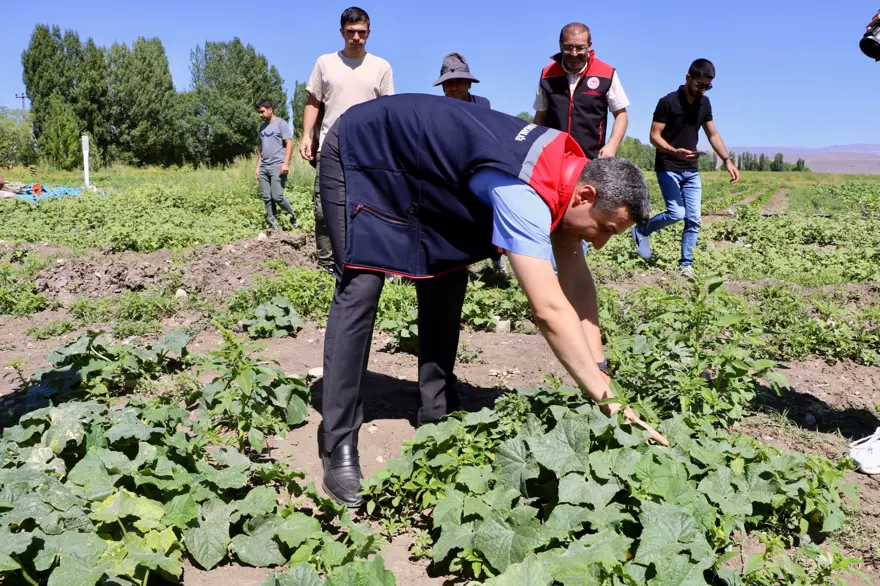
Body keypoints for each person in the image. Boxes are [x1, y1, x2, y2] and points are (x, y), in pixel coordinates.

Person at [317, 93, 669, 506]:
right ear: (586, 195)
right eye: (606, 228)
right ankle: (337, 441)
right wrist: (610, 404)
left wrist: (600, 369)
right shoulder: (526, 193)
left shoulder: (567, 178)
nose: (603, 242)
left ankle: (437, 409)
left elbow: (577, 284)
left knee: (445, 271)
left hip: (427, 171)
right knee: (361, 284)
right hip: (367, 148)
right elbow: (550, 310)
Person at [300, 6, 395, 275]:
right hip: (331, 149)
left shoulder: (381, 67)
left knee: (369, 208)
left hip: (368, 152)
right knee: (323, 210)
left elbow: (387, 112)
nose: (356, 37)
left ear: (369, 32)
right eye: (351, 32)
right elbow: (313, 102)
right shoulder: (325, 63)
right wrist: (307, 135)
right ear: (341, 31)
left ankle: (367, 262)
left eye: (361, 32)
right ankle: (327, 266)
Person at [631, 59, 739, 279]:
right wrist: (674, 151)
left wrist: (727, 160)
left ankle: (686, 265)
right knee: (676, 213)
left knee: (694, 218)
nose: (703, 90)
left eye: (708, 86)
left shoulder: (704, 104)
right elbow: (654, 136)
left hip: (691, 169)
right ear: (688, 77)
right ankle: (642, 230)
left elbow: (713, 134)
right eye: (700, 85)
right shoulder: (667, 102)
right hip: (668, 166)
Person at [533, 23, 629, 160]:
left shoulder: (607, 73)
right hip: (552, 157)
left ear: (589, 45)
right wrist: (533, 145)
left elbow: (621, 115)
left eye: (580, 48)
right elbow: (540, 116)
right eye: (568, 47)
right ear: (560, 45)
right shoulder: (547, 74)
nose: (574, 53)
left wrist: (612, 145)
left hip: (591, 159)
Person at [254, 99, 298, 230]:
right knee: (267, 197)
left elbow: (289, 143)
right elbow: (261, 150)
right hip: (264, 168)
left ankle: (293, 216)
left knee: (277, 196)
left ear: (270, 109)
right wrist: (257, 167)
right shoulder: (262, 128)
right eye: (259, 112)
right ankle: (274, 225)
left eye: (262, 111)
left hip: (277, 166)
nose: (260, 115)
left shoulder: (281, 124)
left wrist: (286, 164)